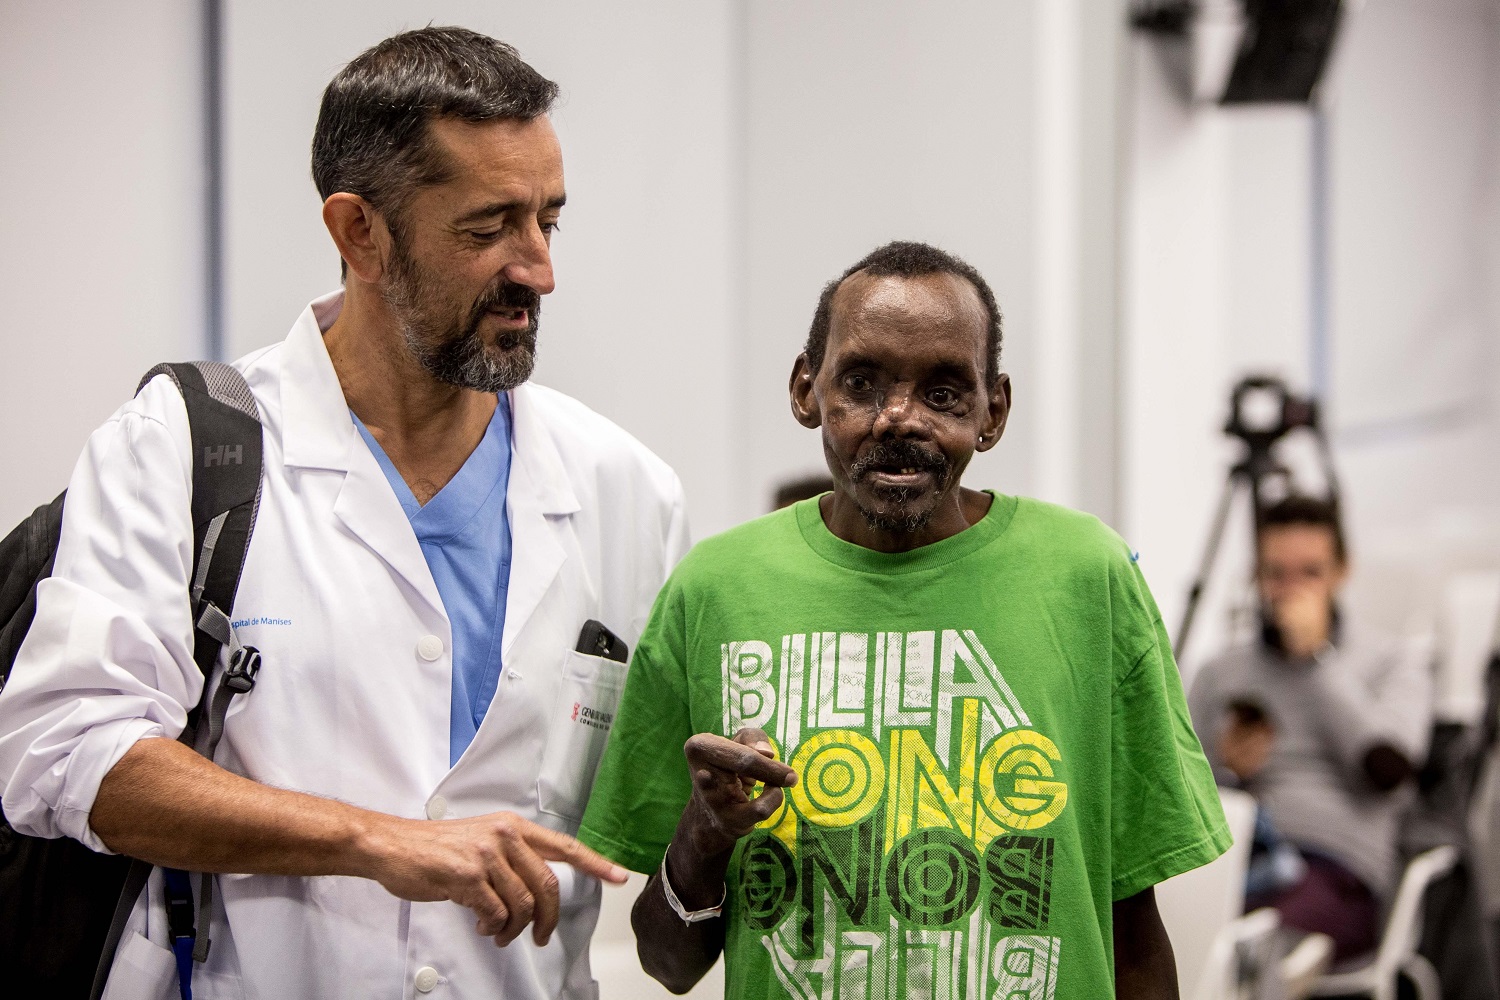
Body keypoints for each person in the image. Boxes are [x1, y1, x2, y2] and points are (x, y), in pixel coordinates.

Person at [0, 27, 688, 1000]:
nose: (537, 270)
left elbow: (662, 834)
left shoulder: (627, 490)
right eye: (489, 228)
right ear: (358, 231)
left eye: (549, 221)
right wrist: (379, 842)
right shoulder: (183, 447)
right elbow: (62, 750)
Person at [579, 240, 1230, 998]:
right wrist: (709, 828)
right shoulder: (714, 592)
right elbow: (667, 963)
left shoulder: (1087, 577)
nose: (899, 419)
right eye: (861, 383)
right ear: (804, 389)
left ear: (995, 412)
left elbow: (1133, 930)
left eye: (946, 393)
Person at [1188, 495, 1431, 962]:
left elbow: (1390, 772)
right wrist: (1230, 772)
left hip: (1337, 866)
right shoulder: (1221, 671)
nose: (1291, 590)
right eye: (1276, 574)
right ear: (1256, 577)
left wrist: (1316, 659)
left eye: (1311, 573)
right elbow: (1177, 793)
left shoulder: (1393, 661)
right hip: (1236, 858)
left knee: (1258, 954)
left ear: (1342, 571)